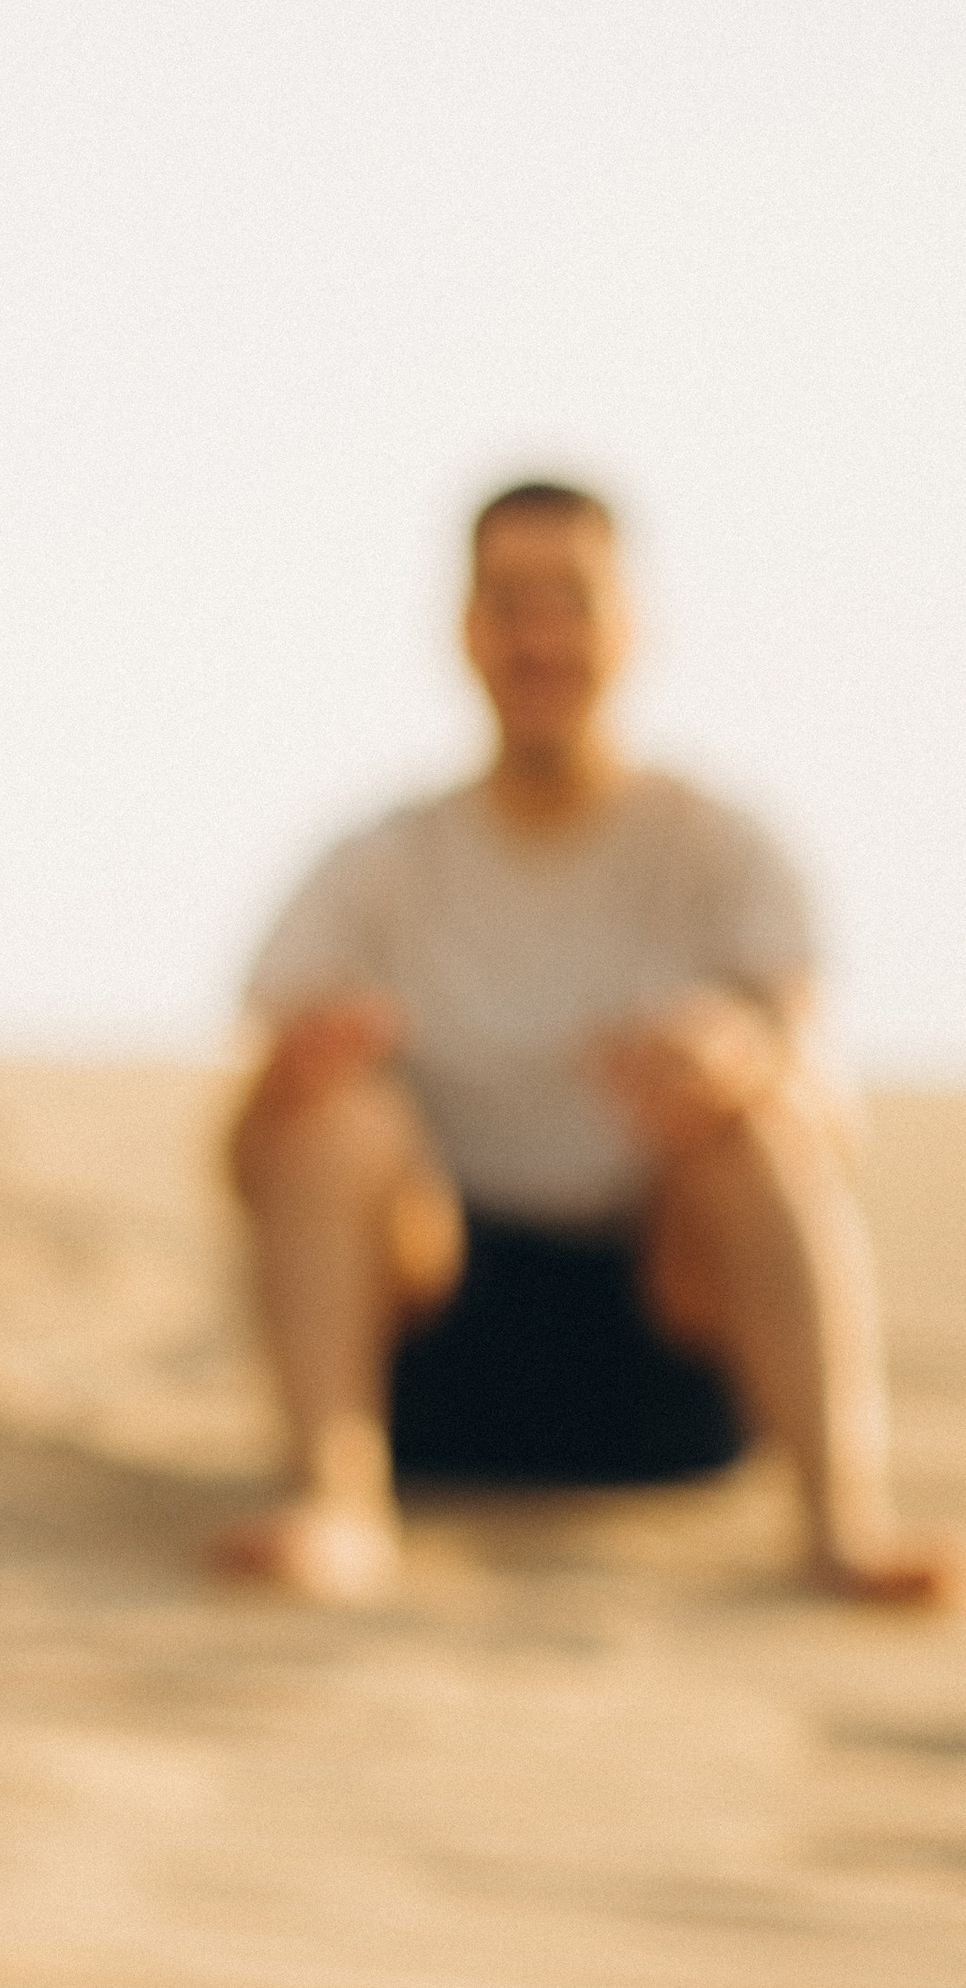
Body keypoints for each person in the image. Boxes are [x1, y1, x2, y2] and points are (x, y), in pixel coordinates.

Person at [218, 481, 952, 1606]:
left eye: (569, 599)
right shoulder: (378, 865)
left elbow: (829, 1115)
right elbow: (239, 1159)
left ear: (632, 621)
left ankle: (836, 1526)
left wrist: (735, 1057)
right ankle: (334, 1499)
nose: (540, 636)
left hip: (668, 1361)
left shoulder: (719, 851)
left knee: (751, 1119)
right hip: (429, 1358)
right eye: (509, 602)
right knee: (327, 1120)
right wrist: (291, 1085)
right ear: (465, 628)